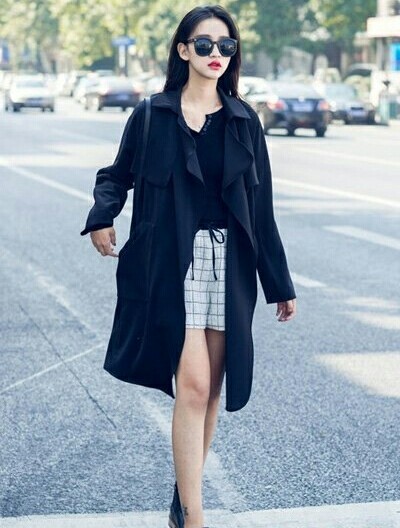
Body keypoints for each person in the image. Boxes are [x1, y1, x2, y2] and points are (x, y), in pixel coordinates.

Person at [80, 5, 297, 528]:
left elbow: (261, 209)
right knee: (194, 385)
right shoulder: (152, 116)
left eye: (225, 45)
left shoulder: (244, 122)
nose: (215, 54)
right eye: (204, 44)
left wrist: (279, 283)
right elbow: (117, 174)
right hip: (171, 261)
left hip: (231, 263)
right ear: (183, 50)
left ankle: (183, 499)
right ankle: (196, 516)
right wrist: (102, 216)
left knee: (212, 388)